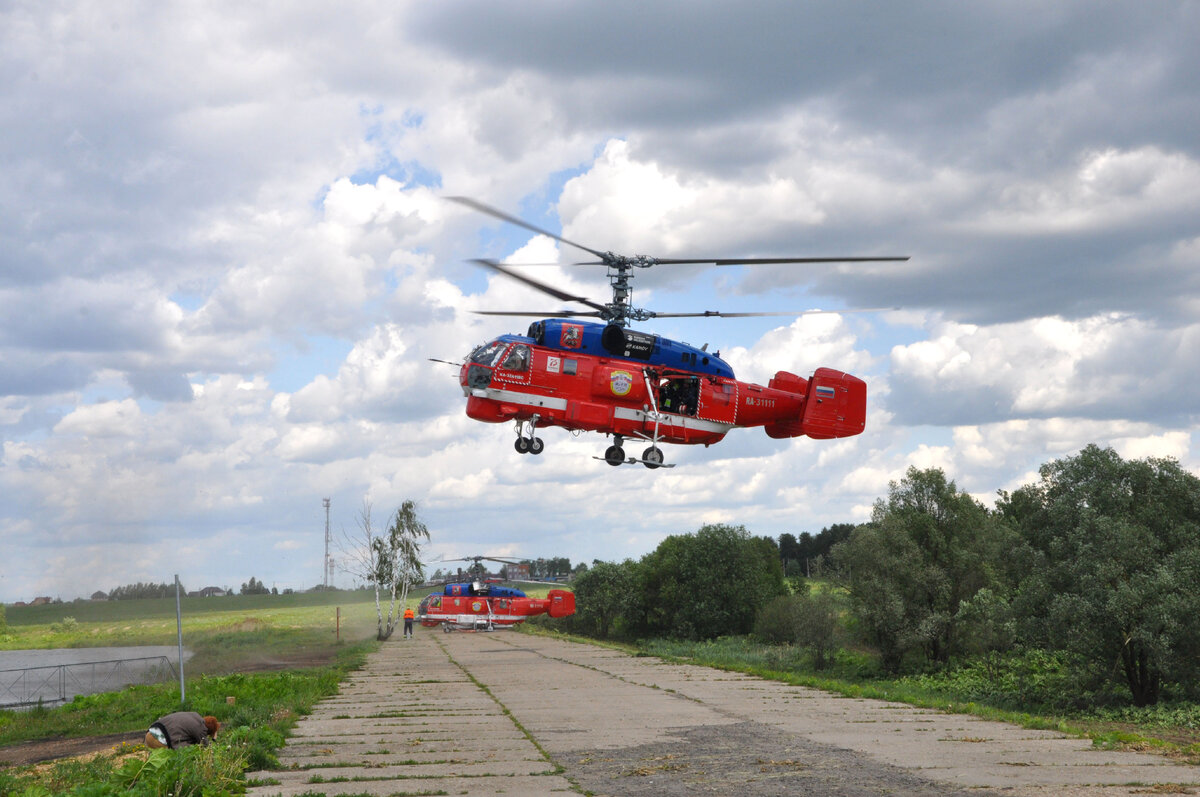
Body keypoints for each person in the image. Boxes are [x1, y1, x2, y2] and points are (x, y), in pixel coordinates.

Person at [145, 711, 219, 749]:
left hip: (151, 732)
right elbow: (207, 747)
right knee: (185, 753)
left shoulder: (194, 715)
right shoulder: (200, 728)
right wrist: (214, 739)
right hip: (159, 740)